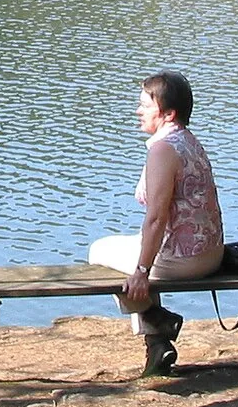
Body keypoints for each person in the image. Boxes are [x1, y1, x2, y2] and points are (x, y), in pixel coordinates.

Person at [87, 69, 223, 348]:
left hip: (184, 261)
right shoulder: (189, 141)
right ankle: (157, 335)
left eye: (146, 106)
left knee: (98, 251)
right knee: (137, 250)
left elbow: (156, 218)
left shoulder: (163, 150)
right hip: (212, 254)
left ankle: (154, 323)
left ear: (168, 114)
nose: (138, 111)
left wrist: (141, 270)